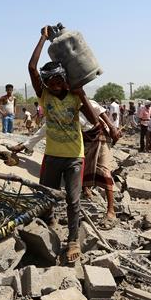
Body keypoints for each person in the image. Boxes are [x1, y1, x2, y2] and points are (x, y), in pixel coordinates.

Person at [28, 26, 101, 263]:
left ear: (65, 79)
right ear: (47, 83)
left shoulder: (75, 96)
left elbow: (93, 121)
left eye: (60, 80)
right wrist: (42, 39)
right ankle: (48, 220)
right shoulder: (45, 96)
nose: (56, 84)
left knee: (73, 199)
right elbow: (31, 67)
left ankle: (72, 240)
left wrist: (81, 95)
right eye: (52, 81)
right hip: (51, 155)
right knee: (45, 195)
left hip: (73, 157)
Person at [9, 99, 121, 229]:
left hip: (101, 137)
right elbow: (44, 130)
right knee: (82, 169)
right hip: (82, 140)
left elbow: (101, 113)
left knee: (104, 171)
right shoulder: (57, 112)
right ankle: (85, 191)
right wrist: (24, 145)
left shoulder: (82, 102)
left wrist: (113, 129)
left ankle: (111, 211)